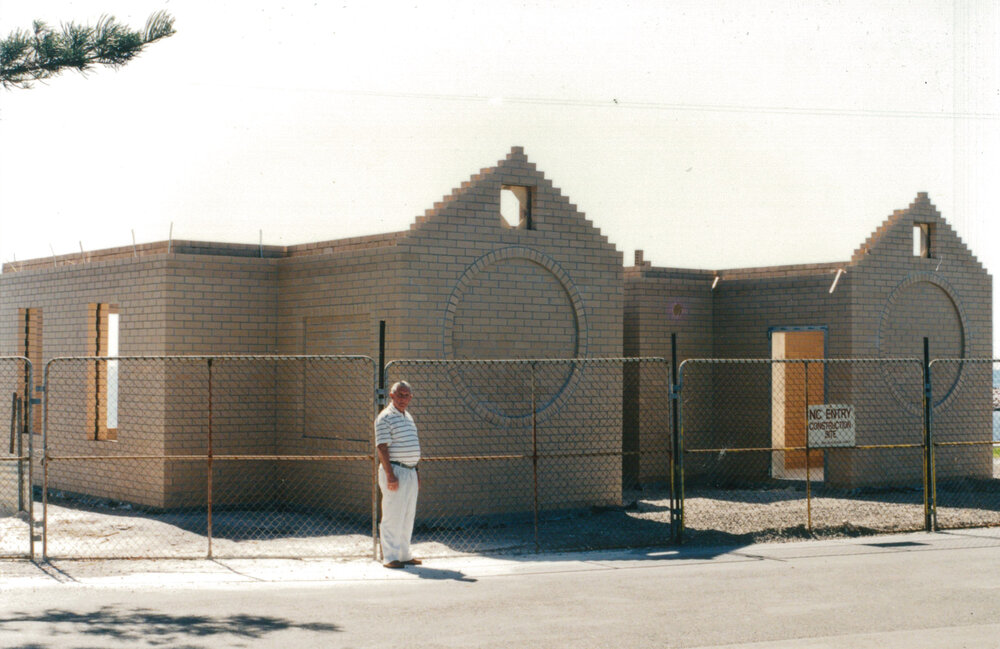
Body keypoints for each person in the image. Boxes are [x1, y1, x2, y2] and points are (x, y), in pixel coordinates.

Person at [375, 380, 422, 568]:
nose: (403, 399)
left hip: (410, 471)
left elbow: (412, 446)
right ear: (391, 396)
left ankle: (404, 554)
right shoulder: (384, 417)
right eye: (399, 395)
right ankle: (390, 557)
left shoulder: (408, 417)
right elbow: (382, 447)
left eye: (406, 395)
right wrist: (390, 475)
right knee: (393, 515)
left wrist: (416, 472)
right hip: (395, 471)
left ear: (411, 397)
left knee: (407, 514)